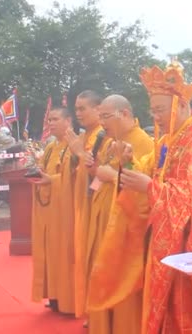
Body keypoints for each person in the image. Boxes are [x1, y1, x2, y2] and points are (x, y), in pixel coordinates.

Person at [119, 59, 192, 334]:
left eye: (161, 110)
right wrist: (132, 165)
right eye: (152, 110)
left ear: (182, 105)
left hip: (188, 239)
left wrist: (149, 187)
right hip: (164, 233)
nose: (156, 117)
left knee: (184, 304)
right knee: (164, 303)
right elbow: (153, 171)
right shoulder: (168, 140)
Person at [84, 94, 154, 334]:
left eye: (105, 116)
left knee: (124, 283)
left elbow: (145, 188)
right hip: (107, 218)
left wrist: (110, 175)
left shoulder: (141, 141)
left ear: (124, 114)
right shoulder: (113, 141)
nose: (101, 122)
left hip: (127, 225)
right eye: (100, 116)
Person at [28, 107, 76, 314]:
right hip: (47, 208)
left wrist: (51, 180)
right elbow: (46, 171)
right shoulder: (50, 148)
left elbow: (75, 177)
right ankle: (54, 296)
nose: (51, 123)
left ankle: (68, 299)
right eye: (49, 120)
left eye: (55, 119)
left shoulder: (76, 146)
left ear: (68, 121)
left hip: (64, 210)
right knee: (48, 252)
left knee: (63, 254)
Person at [64, 90, 104, 324]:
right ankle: (90, 308)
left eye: (82, 109)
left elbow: (94, 170)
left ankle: (96, 310)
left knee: (94, 257)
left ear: (98, 110)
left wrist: (79, 152)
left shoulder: (101, 135)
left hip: (94, 204)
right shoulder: (86, 135)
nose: (78, 113)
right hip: (83, 204)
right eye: (76, 109)